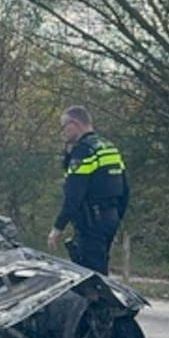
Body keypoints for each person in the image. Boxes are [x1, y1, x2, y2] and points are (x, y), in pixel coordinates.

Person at [46, 106, 129, 274]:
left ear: (75, 124)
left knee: (91, 278)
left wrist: (58, 228)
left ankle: (97, 301)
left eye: (63, 127)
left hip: (91, 220)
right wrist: (116, 216)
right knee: (101, 268)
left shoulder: (84, 150)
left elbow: (74, 195)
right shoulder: (108, 146)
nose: (63, 132)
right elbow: (125, 189)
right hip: (109, 218)